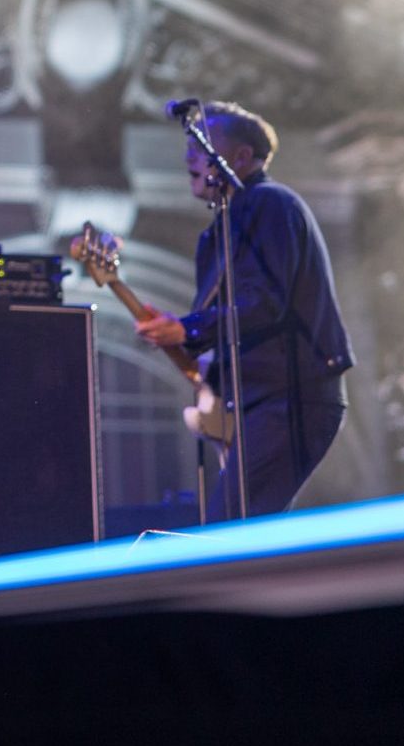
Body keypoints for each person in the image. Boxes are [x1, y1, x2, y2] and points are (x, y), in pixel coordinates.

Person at [133, 101, 349, 519]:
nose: (189, 157)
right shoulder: (219, 232)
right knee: (250, 529)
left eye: (202, 145)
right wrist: (177, 332)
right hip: (261, 401)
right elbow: (227, 322)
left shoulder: (270, 204)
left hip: (290, 396)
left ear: (241, 157)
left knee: (231, 526)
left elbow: (264, 304)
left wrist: (189, 329)